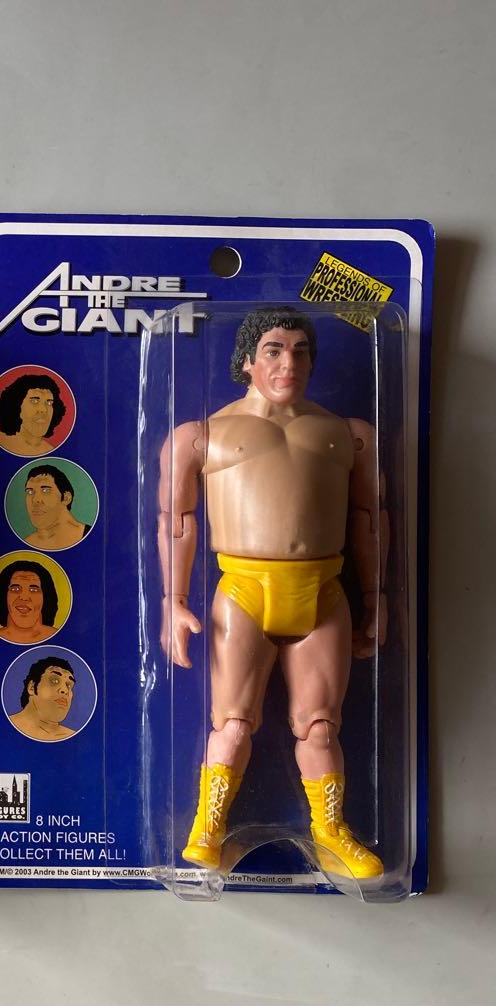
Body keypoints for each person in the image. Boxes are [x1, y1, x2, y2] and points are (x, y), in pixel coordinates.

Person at [159, 308, 386, 879]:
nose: (289, 362)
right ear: (247, 361)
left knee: (321, 726)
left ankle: (330, 832)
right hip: (243, 590)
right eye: (275, 350)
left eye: (301, 350)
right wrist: (172, 600)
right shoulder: (202, 436)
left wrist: (379, 595)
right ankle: (208, 827)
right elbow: (176, 521)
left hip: (323, 592)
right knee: (233, 723)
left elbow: (370, 519)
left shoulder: (349, 435)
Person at [0, 373, 67, 456]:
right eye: (34, 401)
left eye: (49, 403)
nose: (43, 409)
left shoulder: (50, 451)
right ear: (16, 405)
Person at [22, 463, 91, 550]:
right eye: (30, 492)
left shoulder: (92, 537)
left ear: (66, 498)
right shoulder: (24, 545)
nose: (35, 500)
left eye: (45, 490)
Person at [8, 656, 77, 742]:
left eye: (69, 685)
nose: (65, 690)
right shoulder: (5, 727)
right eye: (54, 681)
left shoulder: (73, 736)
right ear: (32, 687)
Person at [0, 559, 59, 644]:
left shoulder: (61, 637)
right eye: (15, 589)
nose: (24, 597)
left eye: (33, 590)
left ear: (46, 597)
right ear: (3, 596)